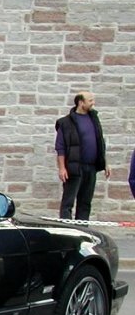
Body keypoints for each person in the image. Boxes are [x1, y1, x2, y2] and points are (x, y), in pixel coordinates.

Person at [54, 91, 110, 221]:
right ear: (81, 102)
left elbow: (100, 142)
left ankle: (82, 229)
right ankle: (67, 229)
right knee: (68, 202)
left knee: (85, 203)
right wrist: (62, 168)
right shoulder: (65, 122)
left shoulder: (94, 119)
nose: (93, 103)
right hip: (74, 168)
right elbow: (60, 147)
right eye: (90, 100)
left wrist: (105, 163)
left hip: (91, 168)